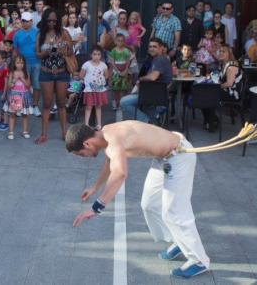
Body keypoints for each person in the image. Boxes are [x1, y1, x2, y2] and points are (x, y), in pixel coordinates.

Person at [67, 122, 210, 279]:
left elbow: (120, 173)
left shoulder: (113, 141)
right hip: (162, 157)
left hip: (179, 155)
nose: (84, 157)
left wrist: (96, 208)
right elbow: (110, 161)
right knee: (148, 204)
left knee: (174, 212)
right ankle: (181, 242)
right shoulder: (105, 133)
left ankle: (199, 261)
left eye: (81, 154)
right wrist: (95, 187)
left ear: (87, 143)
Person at [35, 8, 73, 144]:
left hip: (62, 73)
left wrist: (65, 48)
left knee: (62, 104)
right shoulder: (41, 34)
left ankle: (65, 134)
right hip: (46, 73)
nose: (51, 23)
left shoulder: (64, 33)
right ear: (45, 20)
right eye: (49, 20)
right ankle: (43, 134)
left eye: (54, 21)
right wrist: (47, 50)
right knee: (46, 104)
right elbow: (38, 54)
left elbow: (70, 52)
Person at [120, 38, 172, 123]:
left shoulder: (160, 59)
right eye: (150, 47)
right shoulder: (159, 59)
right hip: (154, 94)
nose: (151, 49)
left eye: (154, 47)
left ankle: (146, 122)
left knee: (123, 102)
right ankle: (149, 120)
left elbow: (153, 77)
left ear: (161, 48)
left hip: (153, 96)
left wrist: (141, 79)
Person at [201, 45, 243, 131]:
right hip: (224, 91)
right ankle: (211, 120)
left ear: (229, 53)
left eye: (224, 51)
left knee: (206, 96)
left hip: (232, 94)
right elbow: (220, 80)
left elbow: (229, 83)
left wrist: (216, 86)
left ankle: (211, 122)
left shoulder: (231, 66)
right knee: (202, 94)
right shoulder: (223, 64)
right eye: (219, 51)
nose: (221, 53)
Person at [14, 12, 42, 117]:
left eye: (28, 21)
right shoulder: (17, 34)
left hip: (36, 63)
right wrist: (15, 65)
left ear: (31, 21)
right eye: (24, 21)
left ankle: (34, 106)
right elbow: (15, 50)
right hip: (22, 64)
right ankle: (20, 106)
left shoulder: (37, 32)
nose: (26, 23)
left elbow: (41, 47)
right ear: (21, 21)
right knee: (21, 86)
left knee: (37, 86)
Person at [3, 55, 33, 139]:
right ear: (14, 63)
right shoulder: (12, 72)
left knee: (25, 115)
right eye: (18, 63)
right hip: (15, 96)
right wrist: (14, 79)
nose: (20, 65)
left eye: (22, 63)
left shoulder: (26, 72)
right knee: (12, 114)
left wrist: (22, 79)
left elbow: (28, 85)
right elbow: (9, 86)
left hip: (24, 95)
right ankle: (11, 132)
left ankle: (25, 131)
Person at [80, 45, 109, 129]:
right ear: (91, 55)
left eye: (98, 54)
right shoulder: (86, 64)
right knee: (89, 106)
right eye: (94, 54)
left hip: (99, 89)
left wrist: (100, 80)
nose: (96, 56)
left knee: (98, 106)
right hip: (89, 89)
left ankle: (99, 124)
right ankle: (86, 124)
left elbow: (106, 75)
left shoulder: (103, 65)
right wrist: (87, 81)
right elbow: (81, 75)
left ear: (101, 55)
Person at [109, 34, 132, 110]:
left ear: (124, 42)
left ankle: (122, 103)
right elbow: (112, 62)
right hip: (116, 72)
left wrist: (125, 70)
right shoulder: (113, 51)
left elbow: (128, 61)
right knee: (115, 88)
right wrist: (117, 71)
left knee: (123, 88)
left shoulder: (126, 51)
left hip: (124, 71)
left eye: (122, 41)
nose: (120, 42)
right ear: (115, 41)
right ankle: (115, 103)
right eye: (118, 40)